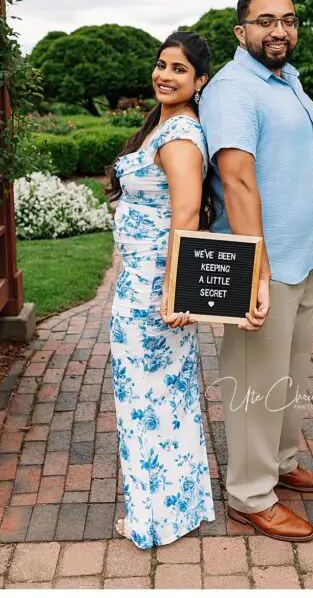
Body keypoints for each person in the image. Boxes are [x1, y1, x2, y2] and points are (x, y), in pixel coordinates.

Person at [198, 0, 313, 542]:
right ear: (241, 30)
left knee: (289, 373)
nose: (280, 30)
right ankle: (250, 494)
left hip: (303, 257)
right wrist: (256, 270)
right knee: (254, 379)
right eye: (266, 20)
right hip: (261, 265)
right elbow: (236, 179)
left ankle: (280, 460)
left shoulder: (286, 81)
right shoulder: (233, 89)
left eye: (289, 19)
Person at [106, 31, 217, 548]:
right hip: (145, 280)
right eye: (161, 64)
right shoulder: (166, 125)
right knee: (164, 396)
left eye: (178, 69)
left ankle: (156, 517)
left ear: (200, 81)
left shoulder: (178, 137)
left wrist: (176, 292)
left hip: (152, 287)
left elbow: (187, 215)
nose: (164, 75)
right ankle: (176, 508)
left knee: (147, 399)